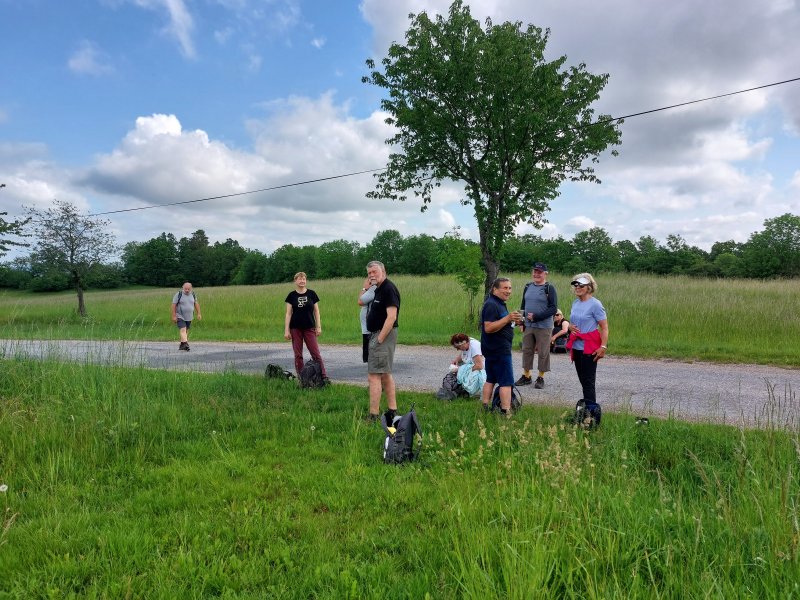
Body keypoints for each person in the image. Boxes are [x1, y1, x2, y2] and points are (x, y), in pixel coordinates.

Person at [565, 273, 609, 427]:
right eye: (575, 285)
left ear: (589, 287)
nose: (577, 287)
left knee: (589, 383)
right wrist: (569, 327)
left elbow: (604, 327)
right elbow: (572, 323)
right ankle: (586, 414)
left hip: (589, 348)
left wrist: (603, 347)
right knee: (584, 382)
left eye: (581, 285)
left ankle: (593, 419)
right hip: (577, 347)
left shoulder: (595, 304)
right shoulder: (575, 303)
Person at [480, 277, 523, 414]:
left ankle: (485, 407)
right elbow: (488, 327)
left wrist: (513, 322)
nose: (508, 291)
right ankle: (506, 412)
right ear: (495, 289)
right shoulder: (492, 304)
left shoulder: (499, 303)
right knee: (506, 382)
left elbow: (501, 323)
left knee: (491, 379)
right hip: (498, 349)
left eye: (510, 288)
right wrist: (508, 318)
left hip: (493, 348)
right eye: (505, 288)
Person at [365, 261, 400, 422]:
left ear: (383, 271)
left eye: (374, 272)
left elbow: (391, 317)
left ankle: (373, 415)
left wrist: (379, 339)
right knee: (385, 373)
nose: (371, 275)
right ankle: (392, 410)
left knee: (374, 375)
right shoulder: (378, 289)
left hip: (383, 335)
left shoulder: (388, 289)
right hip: (378, 334)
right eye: (369, 273)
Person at [516, 262, 558, 389]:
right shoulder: (528, 286)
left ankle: (541, 377)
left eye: (539, 272)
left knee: (543, 352)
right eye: (535, 271)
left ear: (545, 274)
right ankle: (526, 376)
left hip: (544, 326)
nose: (536, 274)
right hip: (528, 325)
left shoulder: (549, 288)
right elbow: (523, 306)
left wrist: (536, 317)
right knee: (527, 350)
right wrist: (522, 321)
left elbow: (553, 309)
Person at [284, 272, 330, 384]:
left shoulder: (312, 294)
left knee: (315, 353)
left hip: (309, 327)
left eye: (304, 279)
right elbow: (288, 313)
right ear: (295, 281)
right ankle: (302, 378)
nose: (302, 281)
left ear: (306, 280)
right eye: (299, 279)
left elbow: (316, 311)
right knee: (298, 354)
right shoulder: (291, 295)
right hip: (295, 328)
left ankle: (323, 376)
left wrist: (318, 326)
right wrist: (286, 330)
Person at [171, 282, 201, 351]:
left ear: (191, 288)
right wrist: (174, 315)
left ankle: (182, 345)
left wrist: (199, 313)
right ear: (183, 287)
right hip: (180, 315)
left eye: (188, 289)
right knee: (183, 329)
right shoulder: (179, 294)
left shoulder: (193, 294)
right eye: (185, 289)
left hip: (189, 316)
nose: (187, 290)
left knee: (186, 331)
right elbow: (173, 305)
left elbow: (196, 303)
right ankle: (186, 344)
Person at [358, 277, 377, 363]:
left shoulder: (373, 289)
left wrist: (364, 288)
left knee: (368, 344)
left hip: (368, 324)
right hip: (367, 323)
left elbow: (360, 301)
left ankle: (371, 364)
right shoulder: (372, 289)